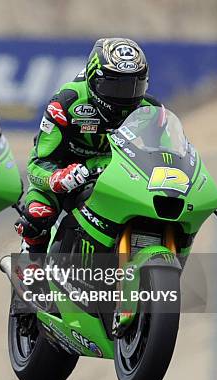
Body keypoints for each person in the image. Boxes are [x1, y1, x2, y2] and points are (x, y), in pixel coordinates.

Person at [15, 38, 162, 253]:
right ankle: (30, 274)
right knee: (36, 218)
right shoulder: (67, 102)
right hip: (66, 173)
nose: (124, 96)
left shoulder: (151, 110)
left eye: (133, 85)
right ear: (94, 80)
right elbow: (37, 163)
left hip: (120, 178)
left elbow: (168, 154)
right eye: (115, 85)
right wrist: (57, 179)